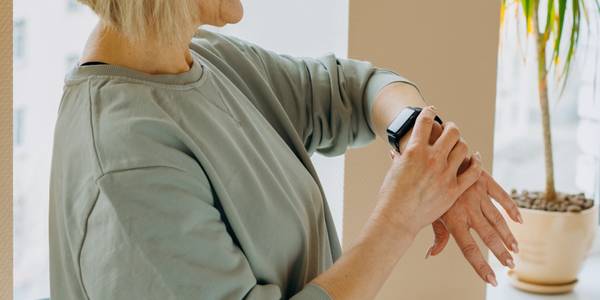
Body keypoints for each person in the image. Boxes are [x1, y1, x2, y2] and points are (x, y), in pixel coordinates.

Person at [49, 0, 523, 299]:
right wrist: (399, 218)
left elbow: (353, 87)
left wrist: (425, 146)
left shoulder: (203, 57)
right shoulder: (126, 162)